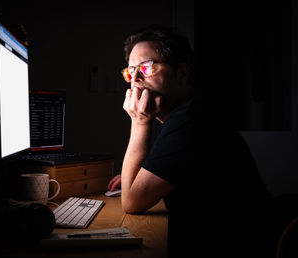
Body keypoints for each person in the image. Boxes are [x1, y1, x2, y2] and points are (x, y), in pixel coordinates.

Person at [107, 25, 272, 257]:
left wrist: (139, 122)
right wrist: (134, 178)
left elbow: (132, 202)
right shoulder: (188, 111)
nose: (134, 78)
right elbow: (145, 184)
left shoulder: (193, 118)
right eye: (130, 70)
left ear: (182, 73)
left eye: (146, 67)